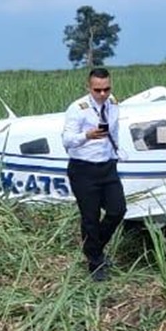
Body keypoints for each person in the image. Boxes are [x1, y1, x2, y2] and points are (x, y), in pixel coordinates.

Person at [61, 67, 125, 282]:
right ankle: (95, 263)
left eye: (106, 89)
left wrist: (117, 152)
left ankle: (92, 248)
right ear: (89, 87)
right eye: (97, 90)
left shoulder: (113, 103)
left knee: (118, 210)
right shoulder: (78, 109)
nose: (102, 94)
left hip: (107, 166)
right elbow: (67, 140)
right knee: (90, 218)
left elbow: (115, 130)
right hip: (83, 168)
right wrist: (87, 135)